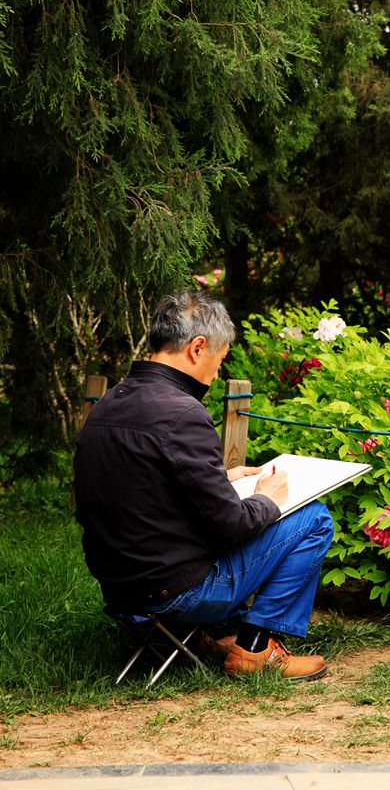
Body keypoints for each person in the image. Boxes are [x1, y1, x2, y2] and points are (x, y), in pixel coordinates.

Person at [74, 289, 334, 681]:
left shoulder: (109, 404)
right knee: (314, 517)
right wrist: (267, 498)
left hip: (121, 590)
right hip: (175, 594)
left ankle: (215, 633)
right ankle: (254, 649)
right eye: (219, 359)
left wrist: (224, 478)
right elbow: (231, 525)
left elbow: (136, 489)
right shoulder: (182, 412)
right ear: (197, 348)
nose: (216, 374)